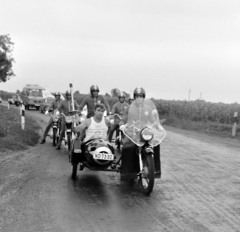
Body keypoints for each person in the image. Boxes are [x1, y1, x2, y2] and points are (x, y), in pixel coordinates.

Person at [119, 87, 165, 181]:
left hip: (144, 131)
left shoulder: (148, 108)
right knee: (127, 146)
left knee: (156, 144)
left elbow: (152, 120)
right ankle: (128, 173)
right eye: (137, 96)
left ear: (144, 97)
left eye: (141, 96)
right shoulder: (129, 108)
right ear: (134, 97)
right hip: (132, 131)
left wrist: (158, 126)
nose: (139, 98)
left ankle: (155, 171)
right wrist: (122, 125)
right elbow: (123, 119)